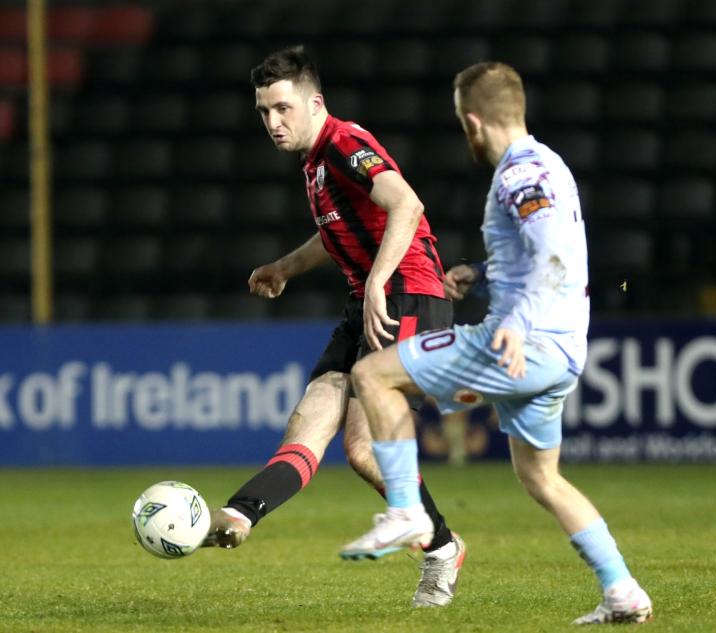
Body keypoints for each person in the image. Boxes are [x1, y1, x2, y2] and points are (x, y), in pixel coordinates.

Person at [342, 62, 653, 624]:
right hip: (560, 353)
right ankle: (623, 590)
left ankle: (410, 512)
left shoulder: (518, 177)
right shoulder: (549, 163)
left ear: (473, 121)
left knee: (372, 376)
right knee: (542, 477)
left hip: (520, 343)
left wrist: (514, 321)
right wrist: (480, 273)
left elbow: (554, 256)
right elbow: (540, 251)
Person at [203, 45, 465, 608]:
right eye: (264, 113)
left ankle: (442, 549)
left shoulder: (344, 143)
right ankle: (240, 513)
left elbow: (407, 205)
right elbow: (335, 232)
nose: (273, 123)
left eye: (282, 108)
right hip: (365, 302)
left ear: (314, 102)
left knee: (363, 448)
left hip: (408, 295)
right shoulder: (315, 161)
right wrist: (284, 267)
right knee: (308, 424)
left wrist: (377, 281)